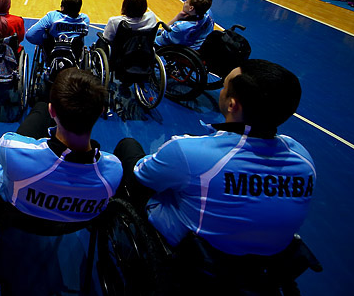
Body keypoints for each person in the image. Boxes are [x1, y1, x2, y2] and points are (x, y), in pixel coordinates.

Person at [113, 59, 314, 256]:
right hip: (273, 258)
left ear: (232, 105)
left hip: (201, 253)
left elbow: (144, 175)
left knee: (128, 148)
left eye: (224, 86)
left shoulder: (189, 151)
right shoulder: (303, 159)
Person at [0, 68, 122, 222]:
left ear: (52, 110)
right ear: (101, 111)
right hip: (77, 223)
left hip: (21, 215)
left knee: (39, 109)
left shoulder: (11, 149)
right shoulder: (114, 171)